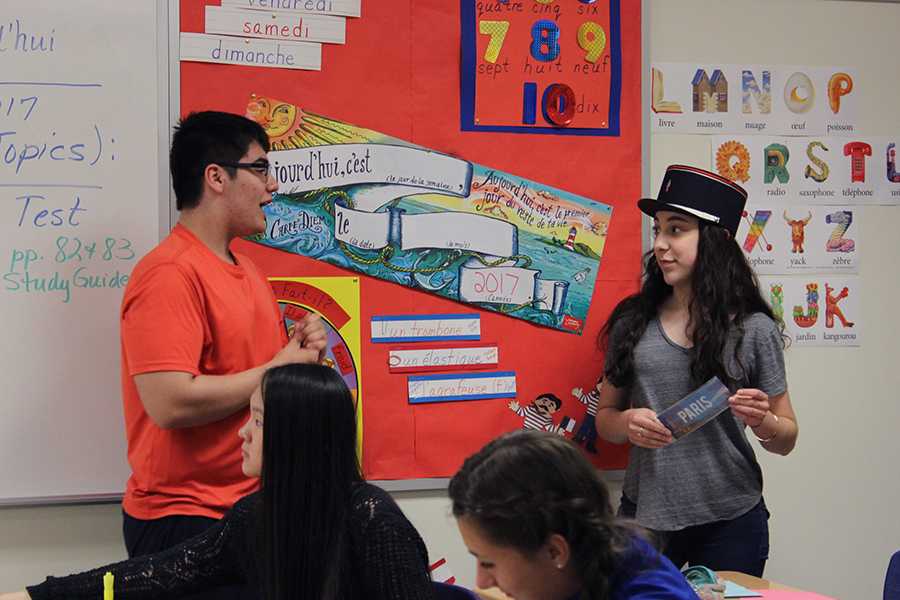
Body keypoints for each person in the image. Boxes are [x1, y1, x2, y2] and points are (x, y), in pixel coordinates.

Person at [2, 364, 435, 600]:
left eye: (259, 420)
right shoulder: (256, 516)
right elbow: (158, 574)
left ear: (295, 435)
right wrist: (38, 595)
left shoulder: (373, 519)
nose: (242, 432)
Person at [118, 110, 327, 595]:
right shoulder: (168, 274)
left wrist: (299, 355)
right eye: (260, 168)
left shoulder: (249, 271)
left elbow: (257, 381)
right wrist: (278, 367)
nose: (272, 186)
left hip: (249, 507)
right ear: (216, 177)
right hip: (182, 519)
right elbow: (170, 402)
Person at [595, 165, 799, 576]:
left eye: (676, 230)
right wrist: (628, 423)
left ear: (716, 240)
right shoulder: (632, 322)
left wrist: (764, 421)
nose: (660, 245)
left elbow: (786, 438)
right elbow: (605, 420)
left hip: (733, 518)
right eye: (658, 230)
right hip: (645, 516)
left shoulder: (754, 329)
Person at [448, 429, 699, 600]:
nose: (482, 582)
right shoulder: (583, 563)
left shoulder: (645, 587)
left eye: (488, 563)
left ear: (554, 551)